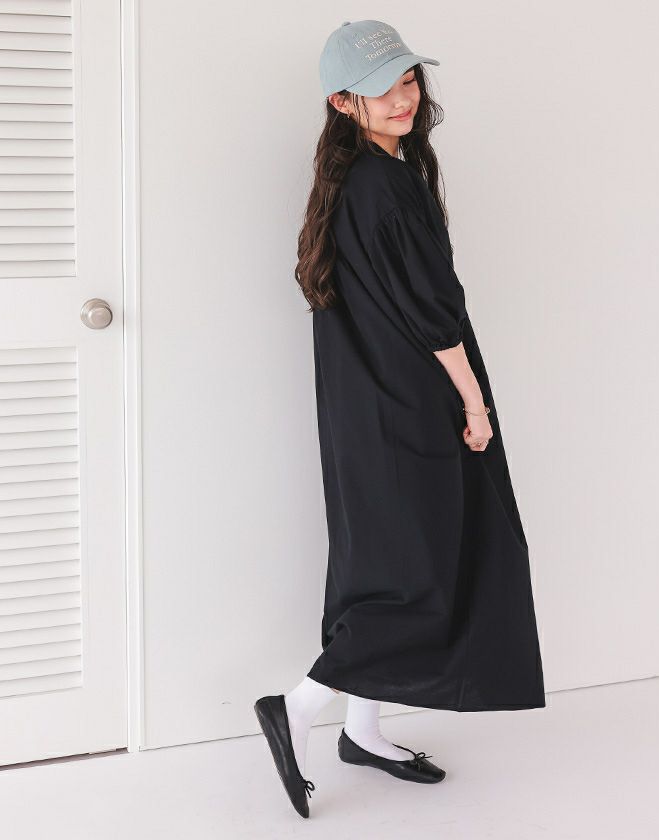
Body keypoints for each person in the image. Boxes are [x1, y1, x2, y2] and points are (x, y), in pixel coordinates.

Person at [254, 19, 545, 819]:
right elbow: (433, 312)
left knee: (382, 566)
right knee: (423, 575)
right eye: (380, 88)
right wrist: (474, 403)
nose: (402, 98)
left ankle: (363, 731)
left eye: (408, 79)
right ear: (342, 101)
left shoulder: (353, 179)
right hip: (411, 405)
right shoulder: (384, 185)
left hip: (365, 409)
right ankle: (297, 708)